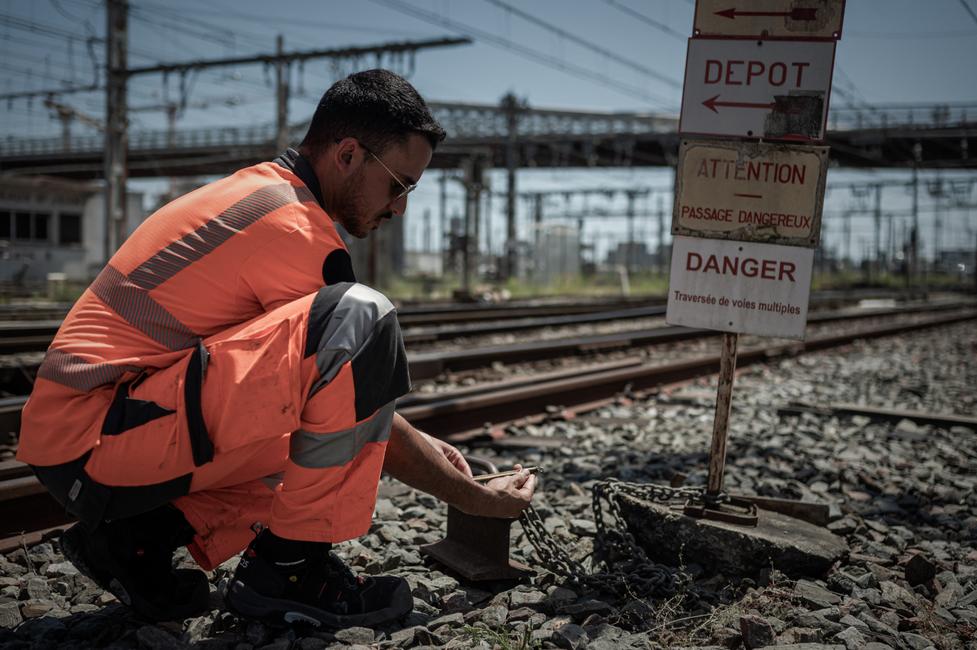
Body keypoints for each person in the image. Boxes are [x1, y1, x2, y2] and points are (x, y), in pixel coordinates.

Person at [18, 69, 536, 629]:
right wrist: (470, 496)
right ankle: (289, 570)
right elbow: (351, 382)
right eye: (399, 185)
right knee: (363, 315)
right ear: (348, 155)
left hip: (87, 433)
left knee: (320, 418)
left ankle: (132, 543)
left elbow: (340, 400)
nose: (400, 208)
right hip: (101, 434)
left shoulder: (263, 193)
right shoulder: (294, 227)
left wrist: (424, 445)